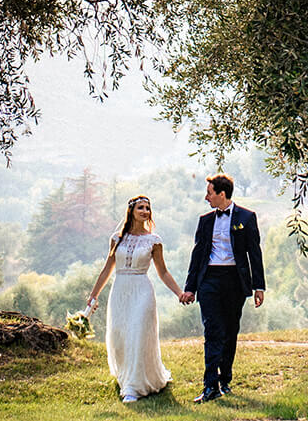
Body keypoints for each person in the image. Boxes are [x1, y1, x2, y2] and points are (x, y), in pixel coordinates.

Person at [85, 195, 184, 402]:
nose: (145, 211)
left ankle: (133, 387)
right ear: (131, 211)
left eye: (148, 208)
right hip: (120, 290)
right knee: (120, 335)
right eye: (141, 207)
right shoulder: (116, 238)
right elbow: (107, 269)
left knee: (138, 334)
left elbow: (163, 272)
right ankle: (125, 376)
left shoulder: (154, 241)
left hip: (142, 291)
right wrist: (94, 295)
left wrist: (179, 293)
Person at [178, 173, 265, 403]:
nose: (206, 197)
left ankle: (224, 378)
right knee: (212, 331)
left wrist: (259, 286)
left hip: (235, 280)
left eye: (209, 193)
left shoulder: (246, 217)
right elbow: (197, 255)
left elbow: (254, 254)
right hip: (209, 280)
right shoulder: (205, 221)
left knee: (230, 331)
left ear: (222, 194)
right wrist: (190, 288)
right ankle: (210, 386)